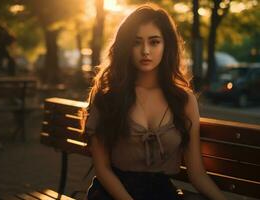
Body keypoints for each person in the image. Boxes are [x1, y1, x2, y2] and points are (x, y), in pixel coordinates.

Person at [83, 4, 226, 200]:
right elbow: (102, 169)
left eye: (154, 42)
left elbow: (197, 174)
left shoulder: (183, 100)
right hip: (112, 194)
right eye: (136, 42)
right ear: (126, 46)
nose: (145, 51)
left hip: (160, 193)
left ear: (166, 45)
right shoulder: (108, 96)